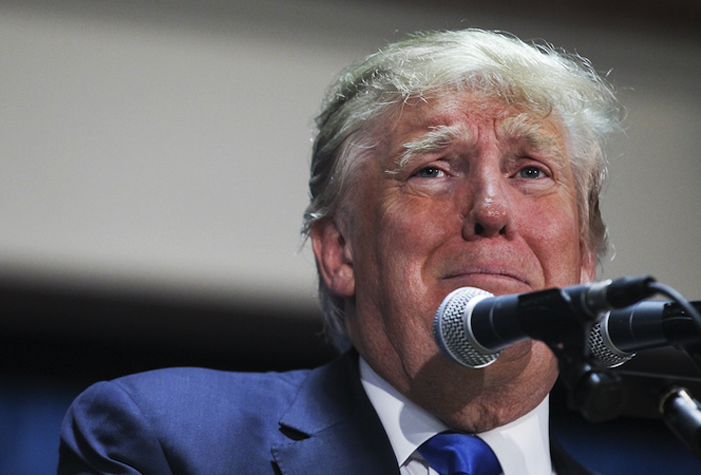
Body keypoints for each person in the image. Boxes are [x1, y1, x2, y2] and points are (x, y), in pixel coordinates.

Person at [58, 29, 621, 474]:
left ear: (584, 260)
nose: (492, 209)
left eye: (530, 171)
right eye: (433, 169)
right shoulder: (165, 441)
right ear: (340, 253)